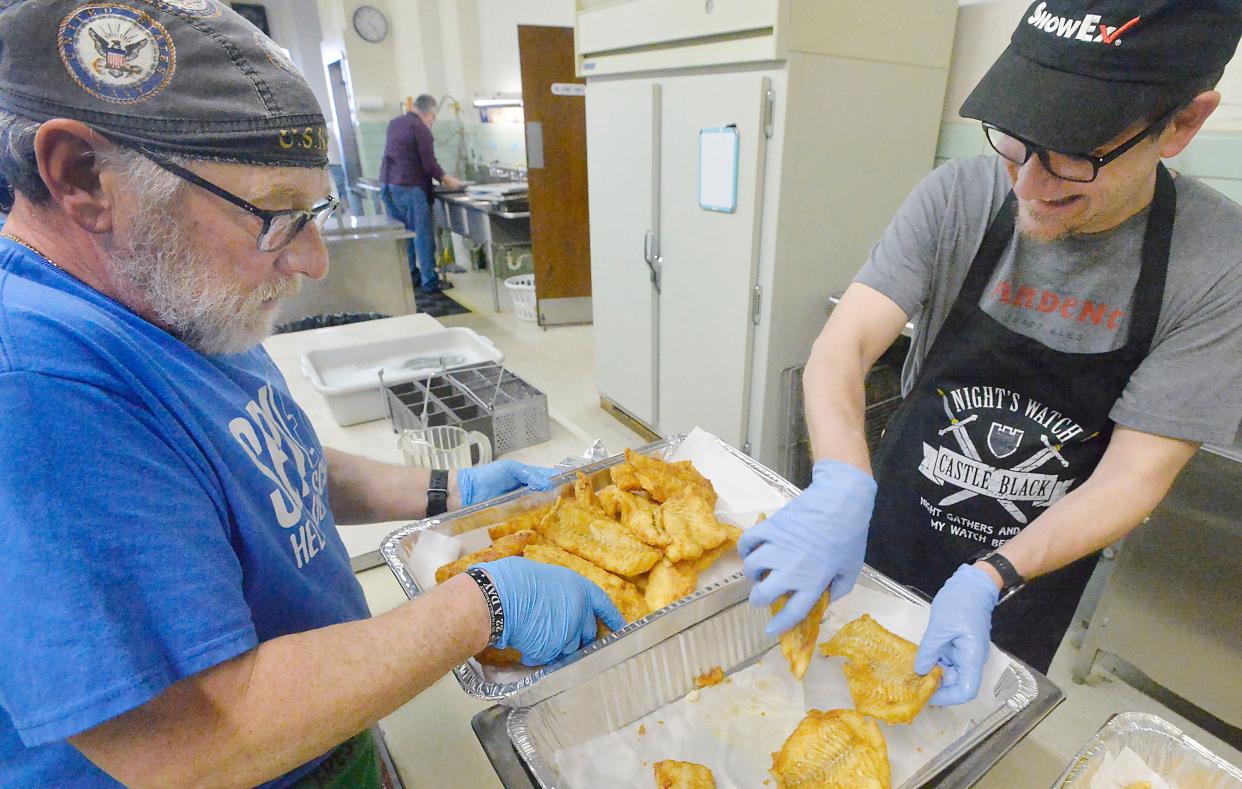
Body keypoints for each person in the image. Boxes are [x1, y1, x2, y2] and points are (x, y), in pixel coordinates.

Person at [0, 3, 620, 786]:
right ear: (83, 178)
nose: (316, 261)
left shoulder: (163, 298)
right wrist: (481, 606)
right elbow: (192, 739)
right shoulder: (37, 389)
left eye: (314, 211)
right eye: (279, 216)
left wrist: (449, 487)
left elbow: (265, 461)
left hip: (317, 737)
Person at [740, 0, 1242, 706]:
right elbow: (842, 344)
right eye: (1017, 138)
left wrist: (991, 576)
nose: (1030, 186)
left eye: (1075, 151)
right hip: (893, 526)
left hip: (1023, 578)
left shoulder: (1216, 262)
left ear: (1182, 124)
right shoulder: (959, 196)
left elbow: (1134, 476)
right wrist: (842, 480)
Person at [380, 94, 463, 295]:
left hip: (388, 185)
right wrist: (447, 179)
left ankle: (412, 274)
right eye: (433, 117)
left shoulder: (395, 123)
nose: (432, 121)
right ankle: (429, 281)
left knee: (405, 234)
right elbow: (429, 163)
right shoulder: (421, 129)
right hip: (410, 187)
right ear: (429, 113)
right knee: (422, 235)